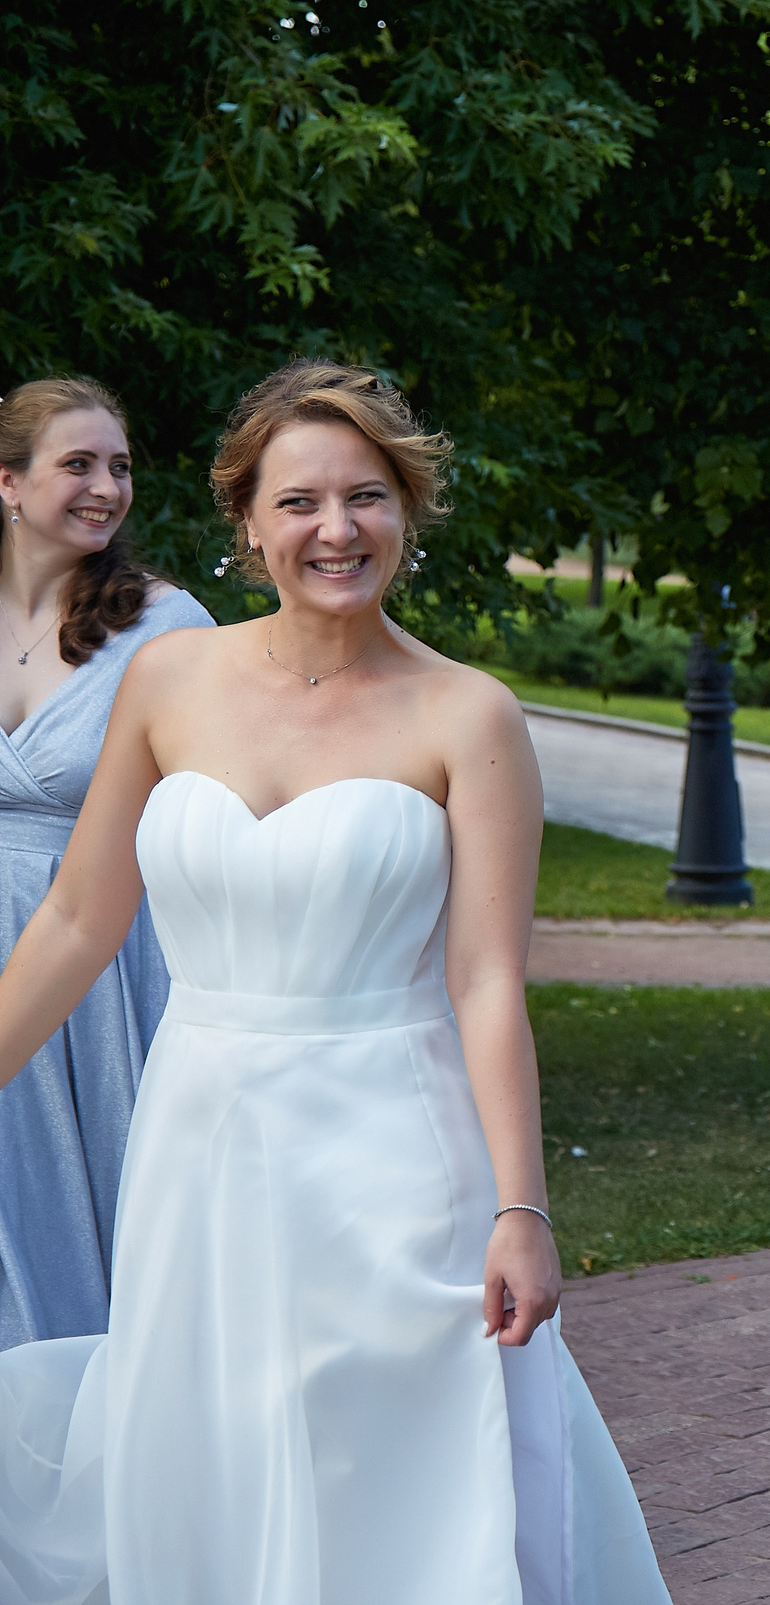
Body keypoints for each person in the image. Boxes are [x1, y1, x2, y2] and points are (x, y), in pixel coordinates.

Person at [0, 360, 668, 1602]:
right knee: (210, 1456)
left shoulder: (469, 716)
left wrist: (523, 1210)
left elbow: (485, 981)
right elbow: (82, 919)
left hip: (394, 1160)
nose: (337, 529)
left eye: (369, 497)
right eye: (301, 501)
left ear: (407, 515)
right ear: (247, 521)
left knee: (384, 1478)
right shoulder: (167, 678)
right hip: (196, 1149)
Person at [0, 378, 213, 1348]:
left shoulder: (170, 630)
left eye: (119, 466)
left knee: (102, 1204)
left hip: (101, 961)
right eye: (78, 464)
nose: (106, 487)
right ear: (8, 482)